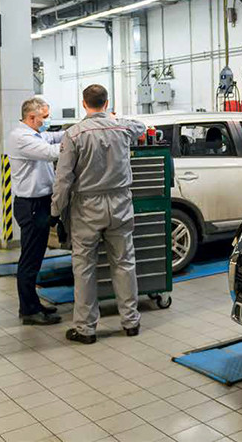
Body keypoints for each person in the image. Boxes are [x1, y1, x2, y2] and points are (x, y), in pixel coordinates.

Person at [52, 84, 146, 344]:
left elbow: (63, 179)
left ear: (83, 103)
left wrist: (56, 210)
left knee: (84, 268)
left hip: (87, 207)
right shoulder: (122, 128)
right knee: (124, 263)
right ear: (107, 103)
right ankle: (131, 322)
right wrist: (113, 118)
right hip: (120, 203)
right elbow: (141, 126)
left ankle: (85, 329)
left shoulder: (73, 134)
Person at [6, 97, 63, 326]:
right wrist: (80, 141)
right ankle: (28, 310)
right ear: (31, 117)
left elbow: (56, 137)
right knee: (30, 260)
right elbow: (51, 152)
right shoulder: (21, 138)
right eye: (45, 117)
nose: (48, 121)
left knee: (36, 257)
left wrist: (81, 129)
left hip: (40, 203)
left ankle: (34, 304)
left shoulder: (35, 134)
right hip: (31, 205)